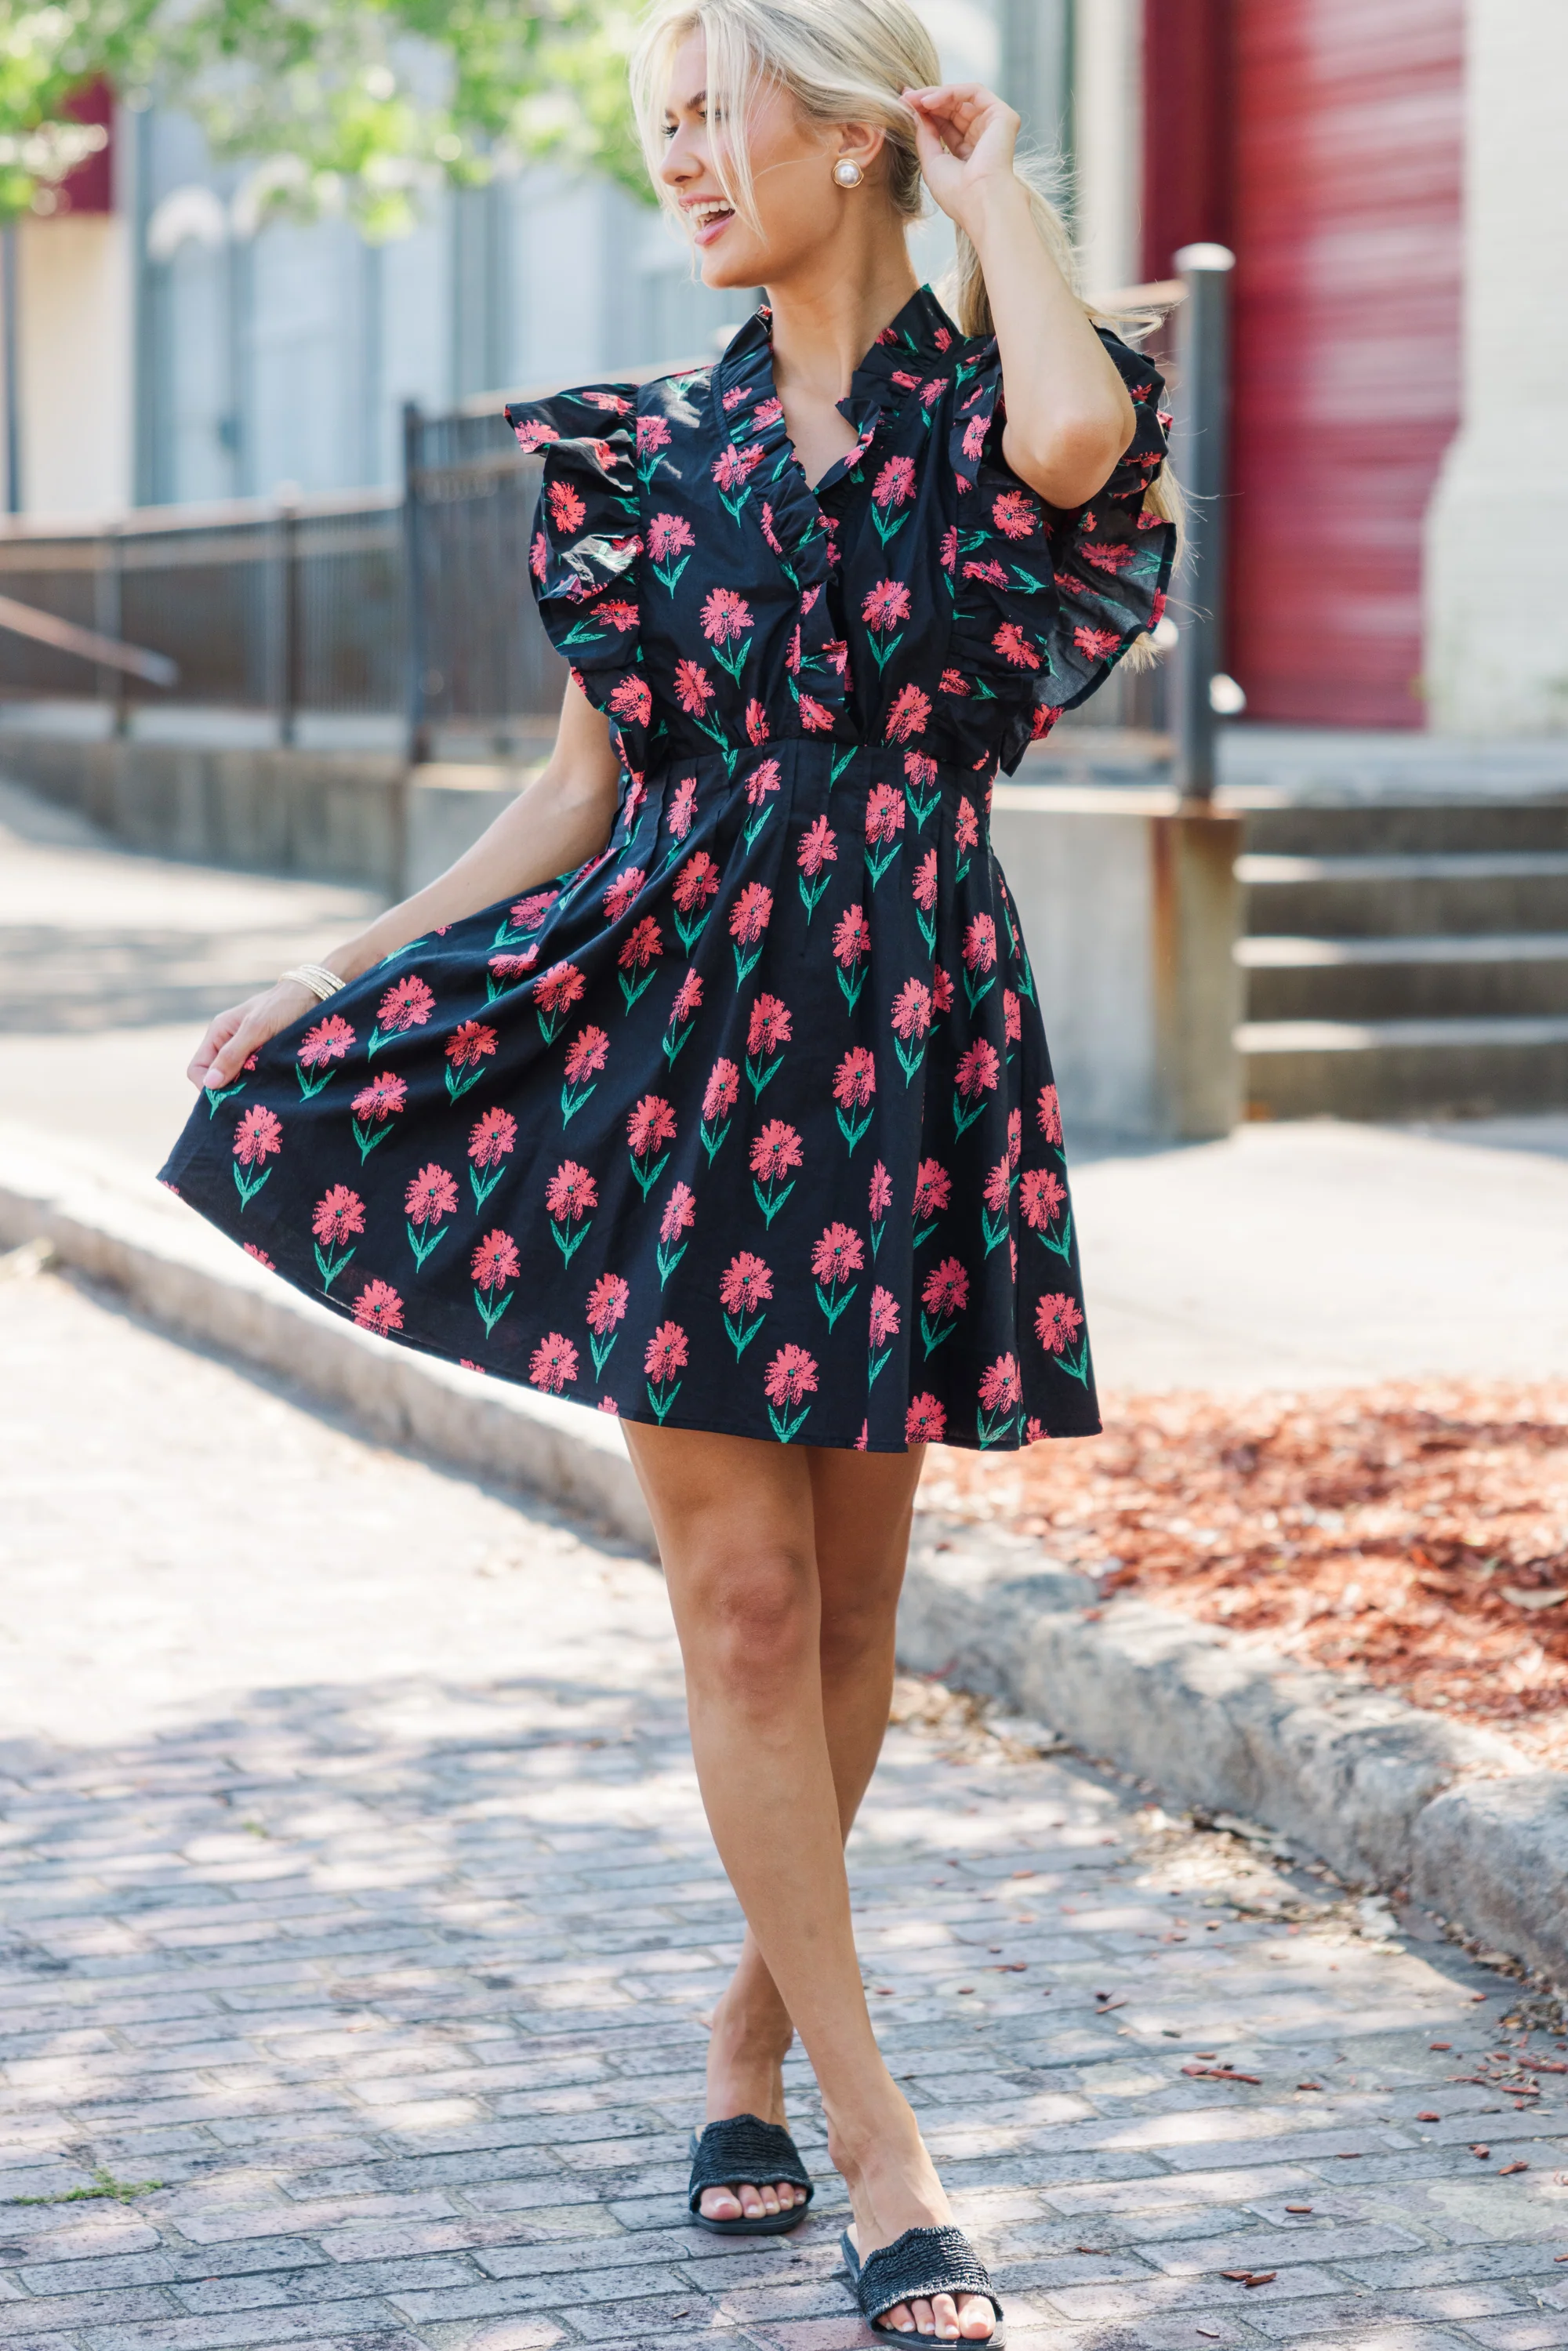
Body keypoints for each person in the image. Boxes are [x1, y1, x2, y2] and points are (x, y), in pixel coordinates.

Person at [161, 0, 1177, 2334]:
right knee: (744, 1607)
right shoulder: (633, 455)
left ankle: (748, 2036)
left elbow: (1071, 440)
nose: (685, 163)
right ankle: (890, 2152)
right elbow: (577, 789)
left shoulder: (1001, 403)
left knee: (857, 1618)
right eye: (662, 129)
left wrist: (992, 186)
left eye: (720, 116)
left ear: (855, 134)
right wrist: (338, 968)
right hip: (679, 1043)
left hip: (907, 1037)